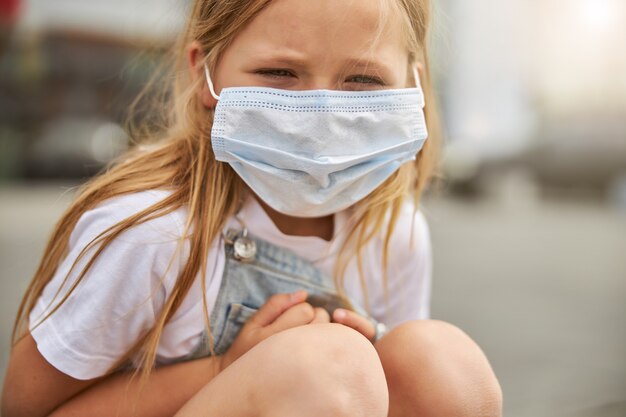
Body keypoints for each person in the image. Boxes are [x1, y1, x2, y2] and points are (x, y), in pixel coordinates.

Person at [1, 0, 502, 416]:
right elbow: (27, 409)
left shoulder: (394, 231)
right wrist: (229, 369)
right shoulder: (155, 230)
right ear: (206, 73)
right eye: (279, 72)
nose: (321, 114)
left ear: (414, 82)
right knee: (327, 369)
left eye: (363, 80)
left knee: (444, 368)